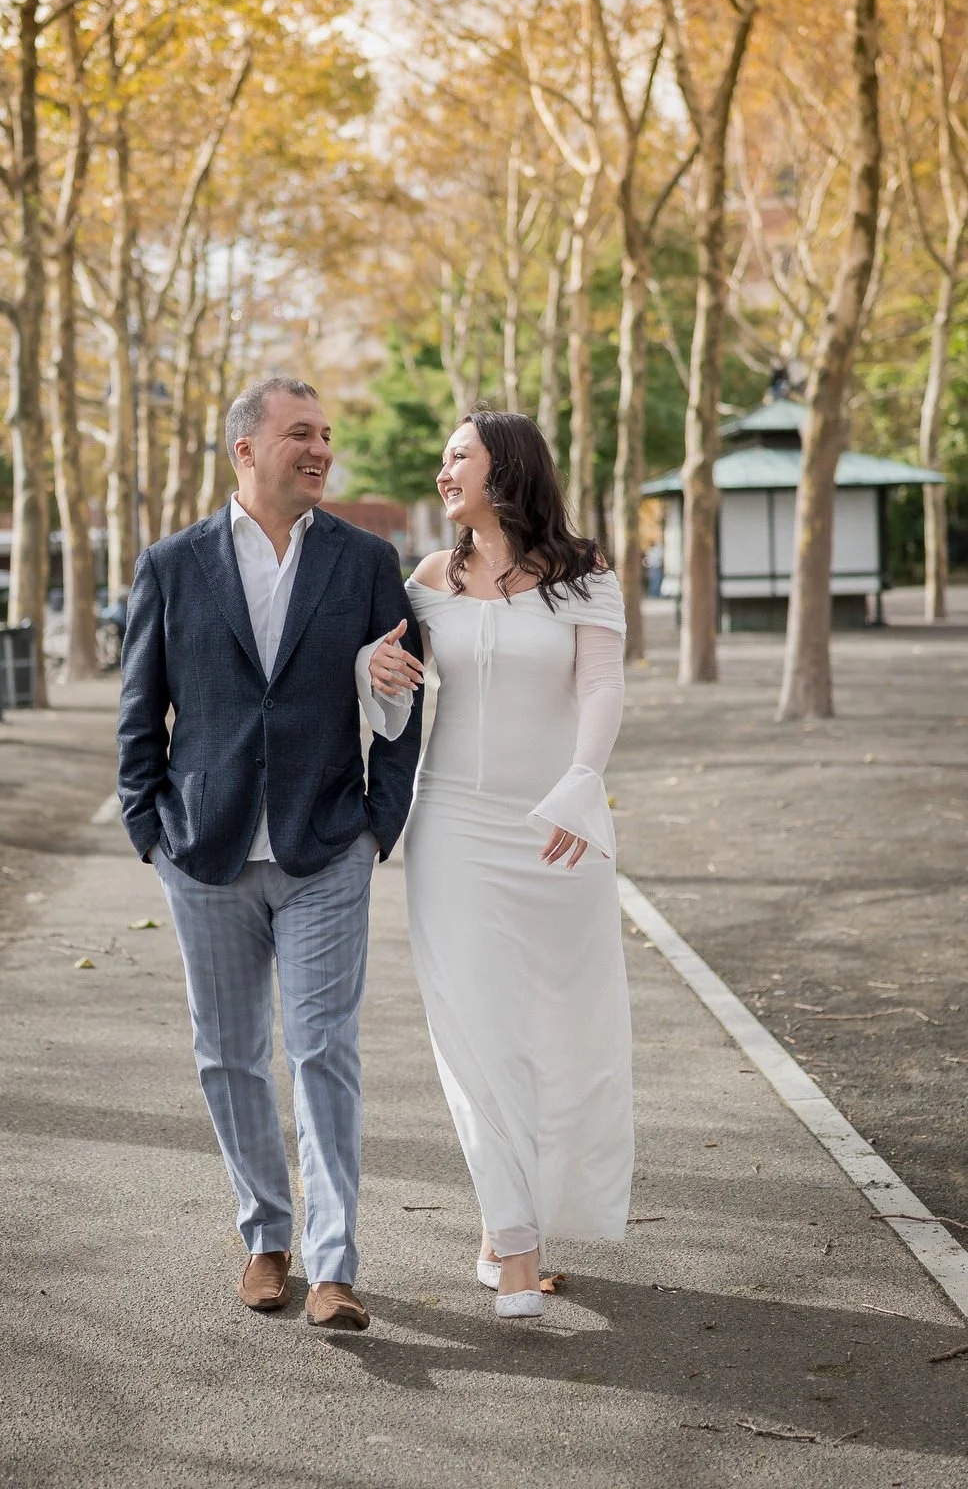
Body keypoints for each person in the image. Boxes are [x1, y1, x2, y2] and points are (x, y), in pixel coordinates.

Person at [117, 376, 424, 1333]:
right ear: (245, 449)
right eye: (301, 434)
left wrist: (381, 820)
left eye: (327, 435)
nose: (321, 449)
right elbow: (141, 708)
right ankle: (267, 1237)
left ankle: (334, 1264)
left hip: (324, 846)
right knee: (227, 1056)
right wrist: (147, 828)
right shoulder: (171, 564)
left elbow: (405, 694)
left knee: (324, 1050)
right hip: (204, 853)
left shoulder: (368, 559)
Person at [365, 408, 632, 1320]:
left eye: (457, 458)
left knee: (555, 1032)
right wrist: (377, 674)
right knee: (474, 1032)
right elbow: (388, 682)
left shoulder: (585, 571)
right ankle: (516, 1249)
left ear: (505, 468)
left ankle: (505, 1217)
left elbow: (601, 685)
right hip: (454, 831)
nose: (444, 474)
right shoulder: (430, 577)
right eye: (443, 459)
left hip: (557, 829)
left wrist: (580, 783)